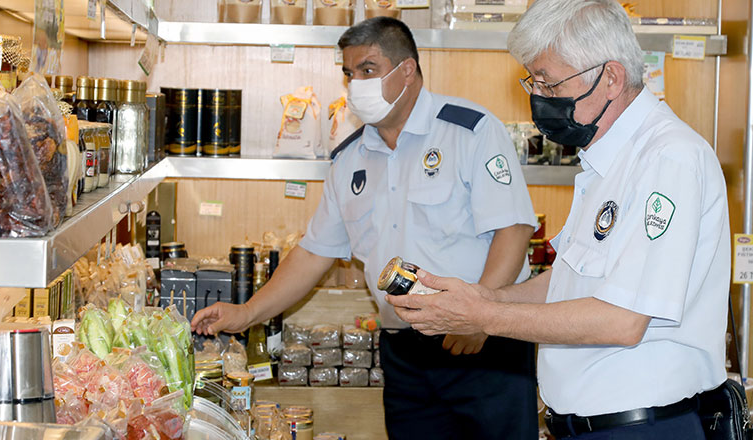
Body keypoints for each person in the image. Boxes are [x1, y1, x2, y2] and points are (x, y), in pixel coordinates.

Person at [387, 1, 731, 439]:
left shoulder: (669, 158)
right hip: (588, 427)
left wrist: (483, 318)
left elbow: (622, 321)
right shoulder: (606, 159)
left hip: (641, 426)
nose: (539, 99)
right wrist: (486, 297)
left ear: (610, 77)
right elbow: (569, 281)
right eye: (534, 82)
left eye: (549, 83)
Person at [191, 16, 540, 440]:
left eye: (368, 70)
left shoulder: (470, 131)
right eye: (349, 73)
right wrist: (246, 314)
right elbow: (313, 253)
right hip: (405, 356)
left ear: (406, 71)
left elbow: (514, 230)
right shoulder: (349, 159)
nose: (355, 84)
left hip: (484, 345)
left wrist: (483, 316)